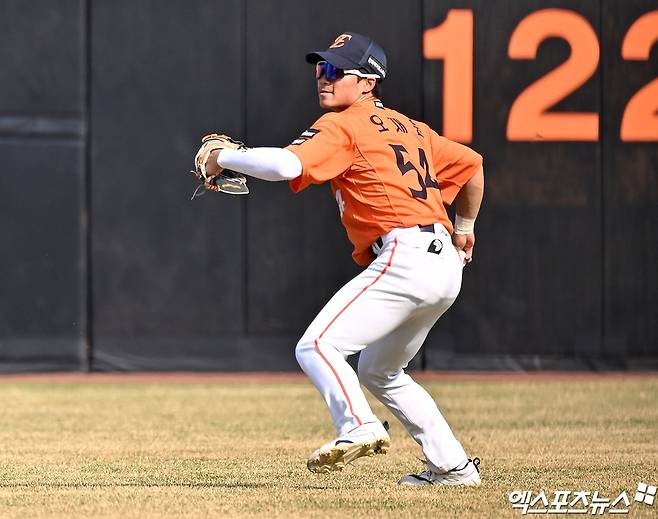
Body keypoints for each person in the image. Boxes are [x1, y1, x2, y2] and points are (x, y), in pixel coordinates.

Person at [202, 32, 484, 486]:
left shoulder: (345, 124)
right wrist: (465, 227)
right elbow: (472, 165)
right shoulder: (413, 128)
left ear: (369, 82)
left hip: (406, 255)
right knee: (381, 370)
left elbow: (287, 166)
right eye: (321, 68)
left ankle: (358, 425)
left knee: (316, 345)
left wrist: (225, 156)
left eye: (336, 70)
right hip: (444, 265)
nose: (324, 78)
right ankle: (453, 467)